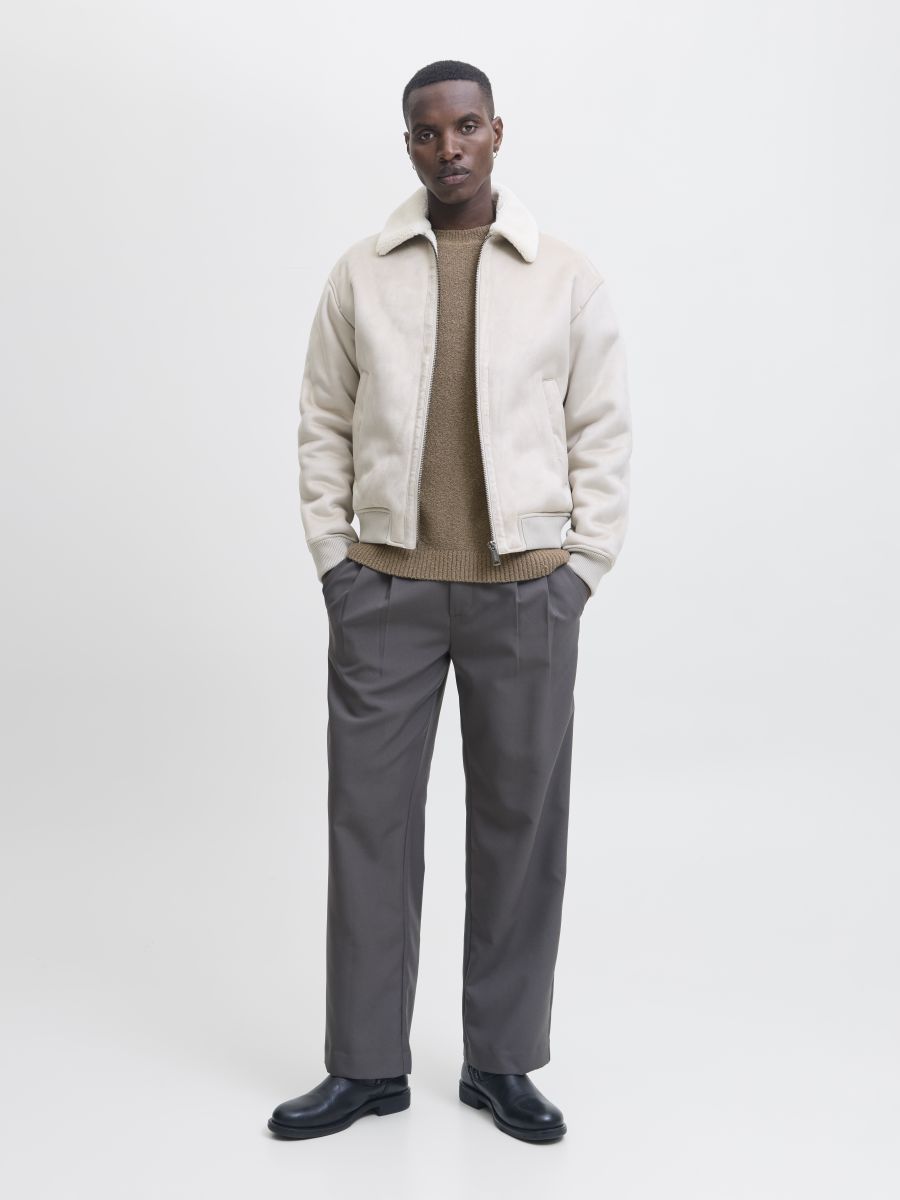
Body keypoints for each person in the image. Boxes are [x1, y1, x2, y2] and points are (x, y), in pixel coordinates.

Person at [267, 58, 632, 1144]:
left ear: (497, 132)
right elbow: (323, 419)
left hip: (525, 595)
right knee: (369, 828)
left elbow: (602, 428)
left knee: (520, 828)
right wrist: (336, 561)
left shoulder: (565, 276)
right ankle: (365, 1066)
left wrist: (580, 569)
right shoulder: (362, 273)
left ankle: (501, 1062)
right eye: (428, 133)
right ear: (409, 146)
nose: (449, 148)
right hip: (386, 590)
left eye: (467, 126)